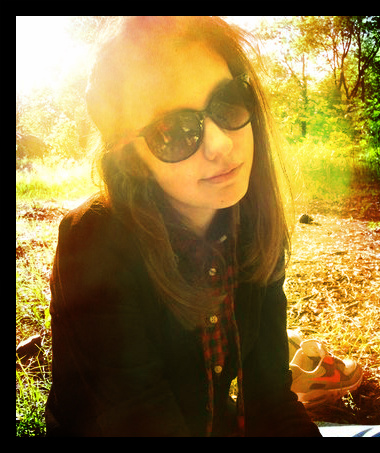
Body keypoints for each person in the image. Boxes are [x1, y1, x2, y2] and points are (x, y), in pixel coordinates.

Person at [45, 16, 322, 437]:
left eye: (228, 102)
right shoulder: (93, 242)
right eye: (173, 130)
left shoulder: (252, 224)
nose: (221, 144)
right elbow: (139, 419)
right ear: (132, 159)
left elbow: (271, 403)